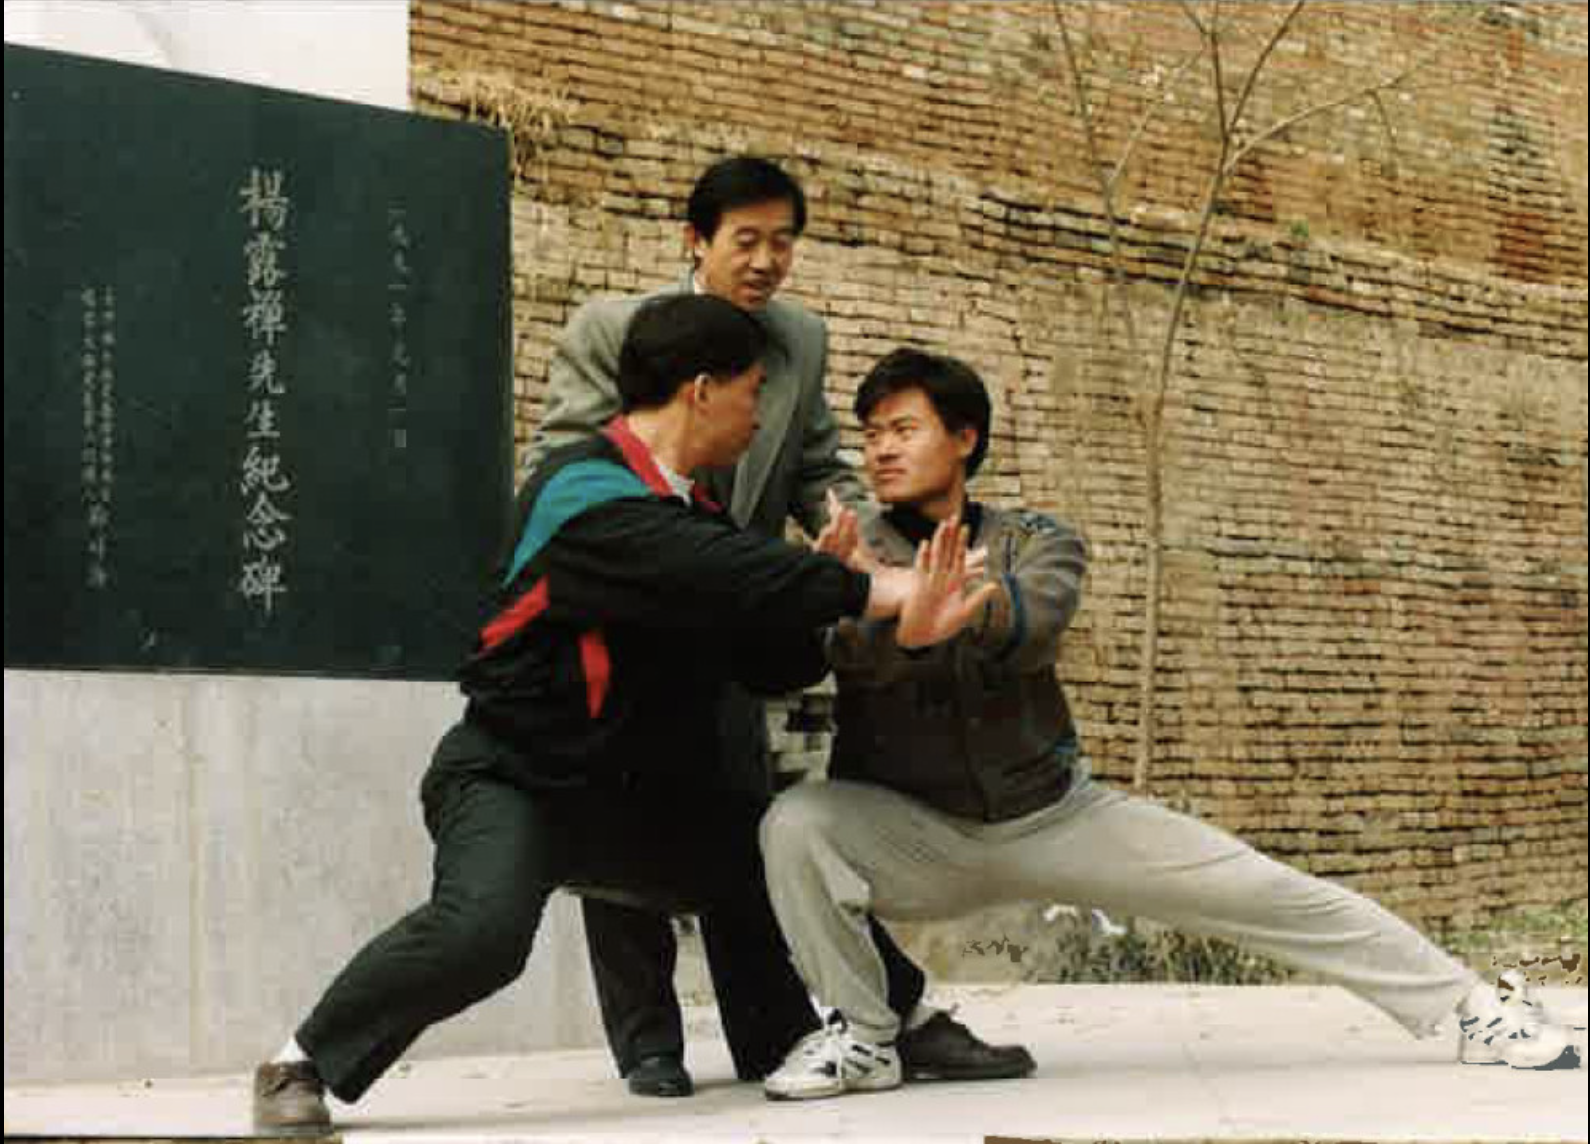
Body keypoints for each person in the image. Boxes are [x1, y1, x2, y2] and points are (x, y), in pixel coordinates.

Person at [249, 295, 991, 1135]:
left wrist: (825, 613)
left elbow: (760, 655)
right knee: (484, 934)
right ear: (702, 390)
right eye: (752, 392)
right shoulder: (583, 491)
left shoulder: (695, 518)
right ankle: (298, 1062)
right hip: (512, 779)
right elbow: (708, 569)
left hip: (632, 801)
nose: (761, 417)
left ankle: (888, 1025)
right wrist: (878, 590)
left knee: (777, 851)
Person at [757, 347, 1583, 1101]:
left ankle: (1475, 1009)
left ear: (964, 438)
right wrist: (874, 606)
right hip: (916, 832)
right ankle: (867, 1037)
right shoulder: (845, 548)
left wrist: (932, 606)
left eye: (904, 429)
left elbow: (1033, 625)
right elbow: (845, 658)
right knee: (796, 823)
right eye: (870, 436)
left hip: (1053, 816)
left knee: (1269, 892)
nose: (881, 451)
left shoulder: (1037, 539)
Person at [525, 154, 1032, 1097]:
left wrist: (873, 558)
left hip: (734, 625)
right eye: (745, 240)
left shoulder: (798, 340)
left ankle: (781, 1034)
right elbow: (566, 462)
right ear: (696, 242)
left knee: (748, 820)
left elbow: (813, 467)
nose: (766, 260)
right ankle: (647, 1046)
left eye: (783, 241)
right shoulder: (611, 332)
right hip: (627, 621)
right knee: (620, 806)